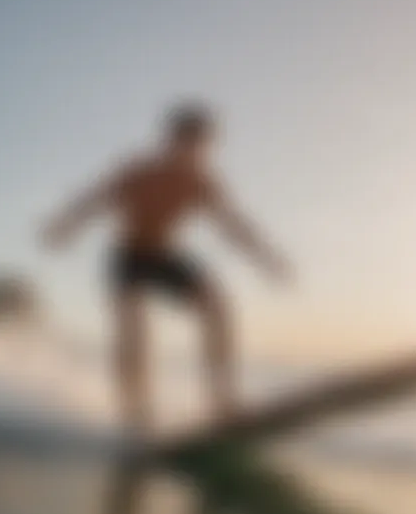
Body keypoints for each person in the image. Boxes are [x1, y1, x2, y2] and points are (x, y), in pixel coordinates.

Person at [40, 102, 294, 433]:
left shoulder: (202, 183)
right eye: (186, 145)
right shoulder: (138, 171)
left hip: (164, 255)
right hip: (127, 257)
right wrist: (65, 225)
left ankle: (222, 400)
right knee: (134, 330)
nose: (193, 155)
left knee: (217, 306)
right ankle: (136, 415)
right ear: (170, 142)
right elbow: (94, 198)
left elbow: (234, 226)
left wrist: (267, 258)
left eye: (201, 148)